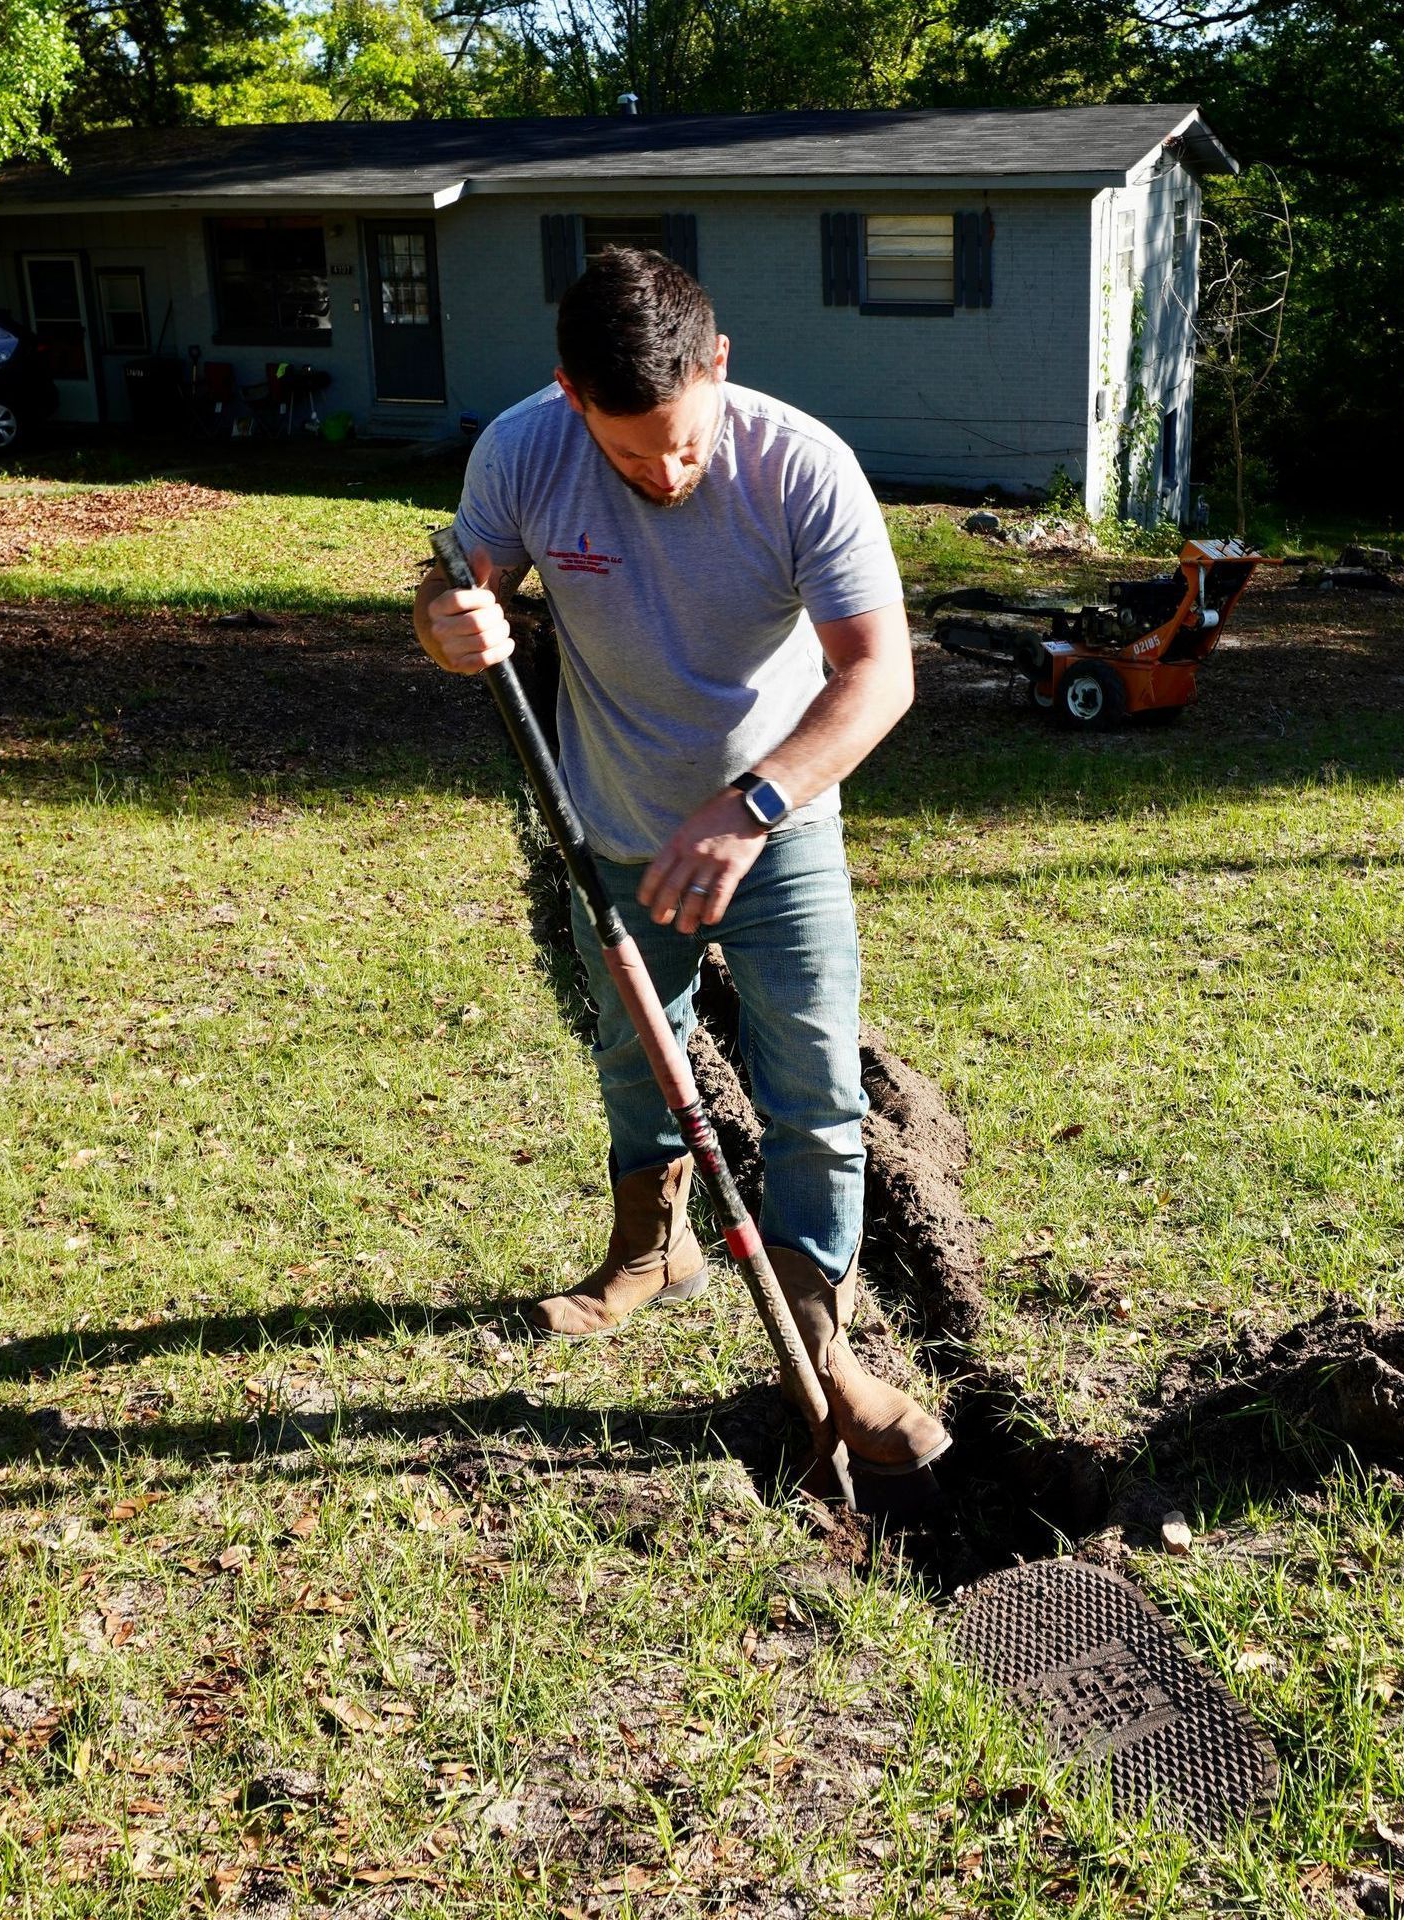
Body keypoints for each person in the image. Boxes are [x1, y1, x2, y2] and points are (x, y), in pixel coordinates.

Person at [412, 248, 950, 1476]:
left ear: (719, 366)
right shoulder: (523, 450)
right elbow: (459, 597)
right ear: (568, 394)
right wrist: (449, 628)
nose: (664, 471)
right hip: (611, 823)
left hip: (782, 827)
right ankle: (652, 1252)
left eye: (685, 442)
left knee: (812, 1089)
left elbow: (881, 674)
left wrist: (751, 807)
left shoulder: (802, 464)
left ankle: (825, 1349)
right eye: (629, 451)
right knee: (631, 1052)